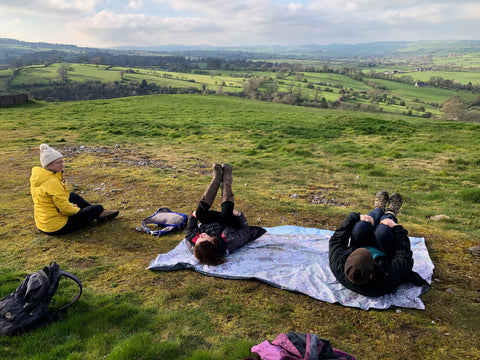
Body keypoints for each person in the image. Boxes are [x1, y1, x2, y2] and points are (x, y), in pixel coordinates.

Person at [329, 191, 428, 297]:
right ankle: (390, 212)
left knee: (361, 226)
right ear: (372, 275)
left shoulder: (338, 265)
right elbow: (404, 257)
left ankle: (378, 208)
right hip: (384, 251)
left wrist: (356, 217)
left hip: (361, 242)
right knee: (382, 231)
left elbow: (336, 239)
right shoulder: (386, 278)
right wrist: (396, 228)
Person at [185, 163, 266, 265]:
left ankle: (216, 178)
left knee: (200, 213)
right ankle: (227, 178)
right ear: (213, 243)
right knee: (226, 213)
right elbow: (246, 232)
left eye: (199, 239)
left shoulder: (196, 247)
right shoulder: (230, 243)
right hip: (229, 222)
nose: (201, 235)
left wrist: (193, 216)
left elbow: (191, 231)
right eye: (203, 237)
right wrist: (239, 216)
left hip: (212, 222)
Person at [30, 144, 119, 235]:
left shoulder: (40, 177)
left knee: (72, 196)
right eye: (58, 163)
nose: (62, 165)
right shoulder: (52, 182)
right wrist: (75, 208)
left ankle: (100, 213)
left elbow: (58, 200)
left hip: (44, 224)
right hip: (57, 227)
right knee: (97, 208)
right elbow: (65, 209)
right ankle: (100, 212)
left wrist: (71, 205)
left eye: (62, 161)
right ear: (48, 164)